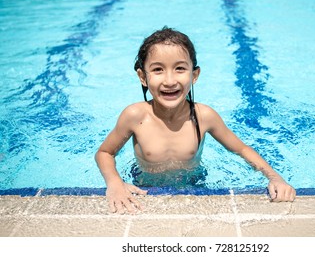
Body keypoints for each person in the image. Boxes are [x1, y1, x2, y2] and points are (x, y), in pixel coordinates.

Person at [95, 27, 296, 214]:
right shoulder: (135, 116)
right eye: (157, 70)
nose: (170, 80)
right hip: (144, 186)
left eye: (180, 69)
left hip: (194, 184)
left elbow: (241, 149)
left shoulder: (203, 116)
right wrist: (115, 184)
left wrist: (275, 178)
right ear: (143, 77)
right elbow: (105, 152)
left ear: (194, 75)